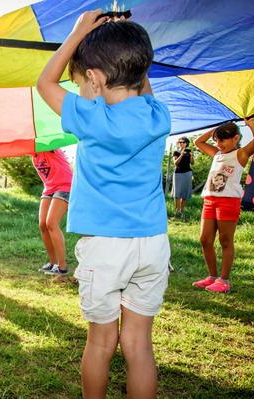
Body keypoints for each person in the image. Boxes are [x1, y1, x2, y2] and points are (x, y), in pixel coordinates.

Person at [37, 10, 171, 399]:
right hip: (152, 244)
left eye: (80, 82)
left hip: (106, 246)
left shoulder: (93, 118)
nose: (78, 90)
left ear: (94, 78)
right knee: (139, 346)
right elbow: (138, 81)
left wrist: (78, 33)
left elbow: (44, 82)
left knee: (101, 342)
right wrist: (130, 56)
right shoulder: (157, 115)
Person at [192, 119, 254, 293]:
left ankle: (224, 281)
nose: (219, 144)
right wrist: (217, 127)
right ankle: (212, 277)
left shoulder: (241, 154)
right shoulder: (218, 154)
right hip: (210, 200)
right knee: (205, 240)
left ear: (235, 138)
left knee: (225, 241)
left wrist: (249, 123)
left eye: (222, 140)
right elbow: (199, 142)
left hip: (228, 202)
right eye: (217, 141)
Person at [32, 150, 73, 275]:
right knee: (43, 225)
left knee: (51, 223)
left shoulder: (51, 148)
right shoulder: (33, 156)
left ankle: (62, 266)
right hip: (49, 188)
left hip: (64, 186)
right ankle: (53, 263)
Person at [172, 136, 194, 218]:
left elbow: (192, 163)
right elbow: (175, 163)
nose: (181, 143)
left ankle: (181, 211)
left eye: (183, 142)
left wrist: (191, 156)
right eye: (180, 142)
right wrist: (181, 154)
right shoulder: (176, 152)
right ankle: (177, 211)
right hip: (178, 173)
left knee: (185, 193)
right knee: (177, 193)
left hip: (187, 173)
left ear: (186, 143)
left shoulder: (189, 152)